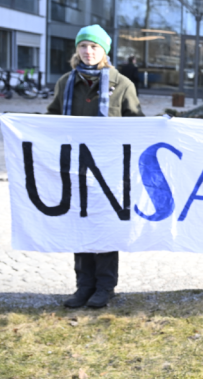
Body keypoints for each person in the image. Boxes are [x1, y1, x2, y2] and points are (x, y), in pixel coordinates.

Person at [47, 24, 144, 309]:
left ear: (104, 51)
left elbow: (137, 122)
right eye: (83, 46)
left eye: (94, 47)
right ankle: (83, 285)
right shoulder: (66, 82)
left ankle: (104, 286)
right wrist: (15, 123)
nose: (88, 52)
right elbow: (50, 118)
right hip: (75, 168)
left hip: (109, 169)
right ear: (76, 50)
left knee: (103, 227)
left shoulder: (122, 84)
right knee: (80, 227)